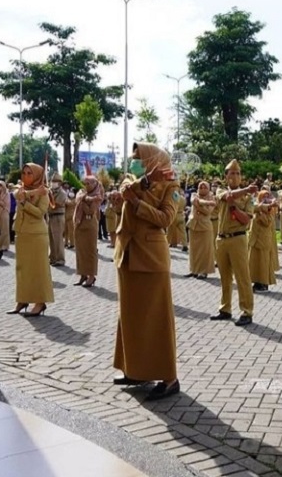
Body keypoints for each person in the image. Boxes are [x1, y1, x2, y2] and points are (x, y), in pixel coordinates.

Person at [112, 142, 181, 401]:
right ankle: (135, 369)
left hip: (151, 258)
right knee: (130, 316)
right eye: (133, 158)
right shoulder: (134, 180)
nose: (134, 162)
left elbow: (165, 219)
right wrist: (145, 182)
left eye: (139, 158)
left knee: (156, 318)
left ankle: (169, 378)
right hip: (128, 253)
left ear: (153, 160)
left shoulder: (173, 188)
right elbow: (124, 190)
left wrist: (139, 203)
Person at [210, 159, 258, 326]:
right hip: (222, 238)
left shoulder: (248, 197)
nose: (235, 176)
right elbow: (227, 196)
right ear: (226, 176)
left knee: (242, 277)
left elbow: (246, 220)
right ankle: (225, 308)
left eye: (238, 173)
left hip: (238, 238)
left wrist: (234, 208)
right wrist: (246, 190)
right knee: (224, 277)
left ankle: (247, 311)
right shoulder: (221, 190)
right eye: (232, 173)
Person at [6, 164, 54, 317]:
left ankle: (40, 302)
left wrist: (25, 204)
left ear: (38, 175)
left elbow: (40, 213)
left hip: (37, 235)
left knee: (38, 270)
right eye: (24, 173)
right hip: (22, 233)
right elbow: (16, 194)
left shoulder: (44, 192)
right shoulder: (21, 188)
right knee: (22, 269)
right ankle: (22, 299)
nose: (26, 176)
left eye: (30, 173)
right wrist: (30, 193)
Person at [73, 175, 103, 288]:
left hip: (90, 226)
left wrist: (82, 201)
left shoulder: (97, 195)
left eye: (89, 183)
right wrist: (83, 199)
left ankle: (91, 276)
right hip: (79, 224)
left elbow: (90, 211)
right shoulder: (82, 193)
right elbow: (77, 198)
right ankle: (82, 274)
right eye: (85, 183)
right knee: (80, 251)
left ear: (94, 184)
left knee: (90, 251)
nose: (86, 185)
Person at [249, 189, 279, 291]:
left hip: (264, 239)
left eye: (267, 196)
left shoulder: (269, 210)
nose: (265, 199)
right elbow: (253, 208)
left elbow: (267, 222)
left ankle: (263, 282)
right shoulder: (257, 207)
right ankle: (256, 281)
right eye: (263, 196)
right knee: (254, 260)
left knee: (263, 261)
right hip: (254, 238)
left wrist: (261, 215)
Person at [186, 181, 216, 279]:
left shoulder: (212, 197)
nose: (202, 189)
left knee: (205, 250)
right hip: (193, 225)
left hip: (205, 227)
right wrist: (206, 203)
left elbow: (208, 212)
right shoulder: (194, 194)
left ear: (209, 188)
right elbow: (193, 201)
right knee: (193, 250)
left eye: (205, 187)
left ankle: (204, 271)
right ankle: (194, 270)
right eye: (200, 187)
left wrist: (197, 205)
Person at [47, 173, 67, 266]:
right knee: (51, 239)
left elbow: (56, 204)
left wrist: (48, 198)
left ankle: (60, 259)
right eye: (52, 181)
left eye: (55, 181)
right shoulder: (50, 192)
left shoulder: (62, 193)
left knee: (58, 239)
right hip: (50, 216)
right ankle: (53, 258)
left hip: (58, 216)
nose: (53, 183)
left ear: (59, 183)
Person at [0, 180, 11, 254]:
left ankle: (5, 245)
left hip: (4, 213)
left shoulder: (6, 194)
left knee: (4, 230)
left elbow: (4, 204)